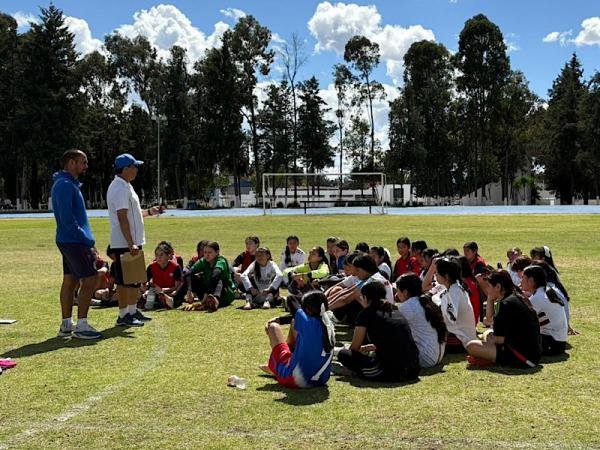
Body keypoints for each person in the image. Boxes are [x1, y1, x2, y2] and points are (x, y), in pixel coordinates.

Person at [107, 153, 162, 327]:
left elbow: (133, 215)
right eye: (134, 166)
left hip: (132, 242)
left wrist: (150, 212)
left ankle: (131, 311)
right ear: (125, 169)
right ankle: (124, 315)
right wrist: (130, 243)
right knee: (125, 282)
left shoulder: (126, 186)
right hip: (124, 243)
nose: (136, 170)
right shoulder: (119, 188)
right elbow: (122, 217)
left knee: (133, 280)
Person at [51, 149, 102, 339]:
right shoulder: (65, 185)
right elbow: (67, 218)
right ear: (71, 163)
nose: (86, 166)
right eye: (83, 162)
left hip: (68, 239)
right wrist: (86, 240)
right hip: (74, 240)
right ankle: (82, 326)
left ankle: (66, 324)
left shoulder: (67, 183)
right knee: (90, 279)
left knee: (70, 280)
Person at [337, 281, 420, 382]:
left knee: (344, 354)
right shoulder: (395, 310)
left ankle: (355, 371)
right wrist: (373, 346)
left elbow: (354, 348)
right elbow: (396, 339)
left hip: (390, 372)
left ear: (366, 298)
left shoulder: (366, 314)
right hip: (413, 368)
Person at [466, 270, 541, 368]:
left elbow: (496, 336)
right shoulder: (515, 297)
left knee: (471, 346)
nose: (486, 290)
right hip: (532, 354)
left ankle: (489, 359)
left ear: (498, 287)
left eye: (488, 286)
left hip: (523, 357)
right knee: (487, 334)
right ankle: (488, 358)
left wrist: (494, 338)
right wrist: (490, 298)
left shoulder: (506, 304)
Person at [262, 291, 335, 388]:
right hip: (322, 379)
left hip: (294, 379)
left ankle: (277, 367)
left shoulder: (303, 317)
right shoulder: (328, 322)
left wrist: (277, 320)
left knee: (273, 327)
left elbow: (293, 302)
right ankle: (285, 361)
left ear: (307, 310)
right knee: (294, 322)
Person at [396, 274, 447, 368]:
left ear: (405, 292)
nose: (396, 294)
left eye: (398, 291)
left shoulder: (407, 307)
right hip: (436, 356)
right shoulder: (428, 301)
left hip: (425, 358)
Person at [327, 254, 394, 325]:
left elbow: (345, 299)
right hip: (384, 313)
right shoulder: (372, 276)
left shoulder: (373, 280)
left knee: (354, 297)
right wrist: (326, 304)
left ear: (364, 269)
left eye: (357, 270)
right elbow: (347, 291)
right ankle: (335, 317)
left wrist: (325, 309)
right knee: (352, 294)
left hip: (381, 317)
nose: (355, 273)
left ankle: (335, 318)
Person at [521, 265, 567, 355]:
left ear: (531, 281)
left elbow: (522, 320)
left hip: (552, 343)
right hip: (558, 341)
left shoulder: (538, 298)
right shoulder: (545, 291)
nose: (520, 281)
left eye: (523, 278)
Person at [436, 257, 477, 352]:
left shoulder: (454, 292)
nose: (435, 276)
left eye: (437, 274)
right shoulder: (455, 287)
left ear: (446, 277)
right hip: (461, 334)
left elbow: (451, 318)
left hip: (461, 339)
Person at [183, 241, 236, 311]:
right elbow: (188, 273)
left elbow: (215, 276)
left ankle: (214, 300)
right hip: (208, 292)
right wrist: (189, 291)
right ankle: (174, 300)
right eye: (205, 252)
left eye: (210, 252)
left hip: (225, 294)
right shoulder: (203, 261)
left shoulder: (221, 261)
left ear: (217, 252)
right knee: (192, 277)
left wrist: (204, 298)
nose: (207, 255)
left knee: (218, 279)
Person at [283, 246, 330, 315]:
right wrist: (293, 274)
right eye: (310, 253)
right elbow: (286, 271)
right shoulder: (306, 266)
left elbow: (322, 273)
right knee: (295, 280)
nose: (310, 255)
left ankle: (295, 302)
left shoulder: (323, 266)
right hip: (307, 292)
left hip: (320, 294)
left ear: (320, 258)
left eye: (313, 254)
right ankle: (298, 299)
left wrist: (303, 275)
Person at [143, 242, 183, 309]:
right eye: (157, 255)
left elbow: (177, 286)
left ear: (168, 256)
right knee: (150, 292)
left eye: (161, 255)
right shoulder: (151, 267)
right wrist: (145, 291)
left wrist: (163, 291)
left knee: (176, 297)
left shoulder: (175, 267)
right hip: (156, 291)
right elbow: (144, 282)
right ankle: (151, 304)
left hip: (171, 292)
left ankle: (164, 301)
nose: (158, 257)